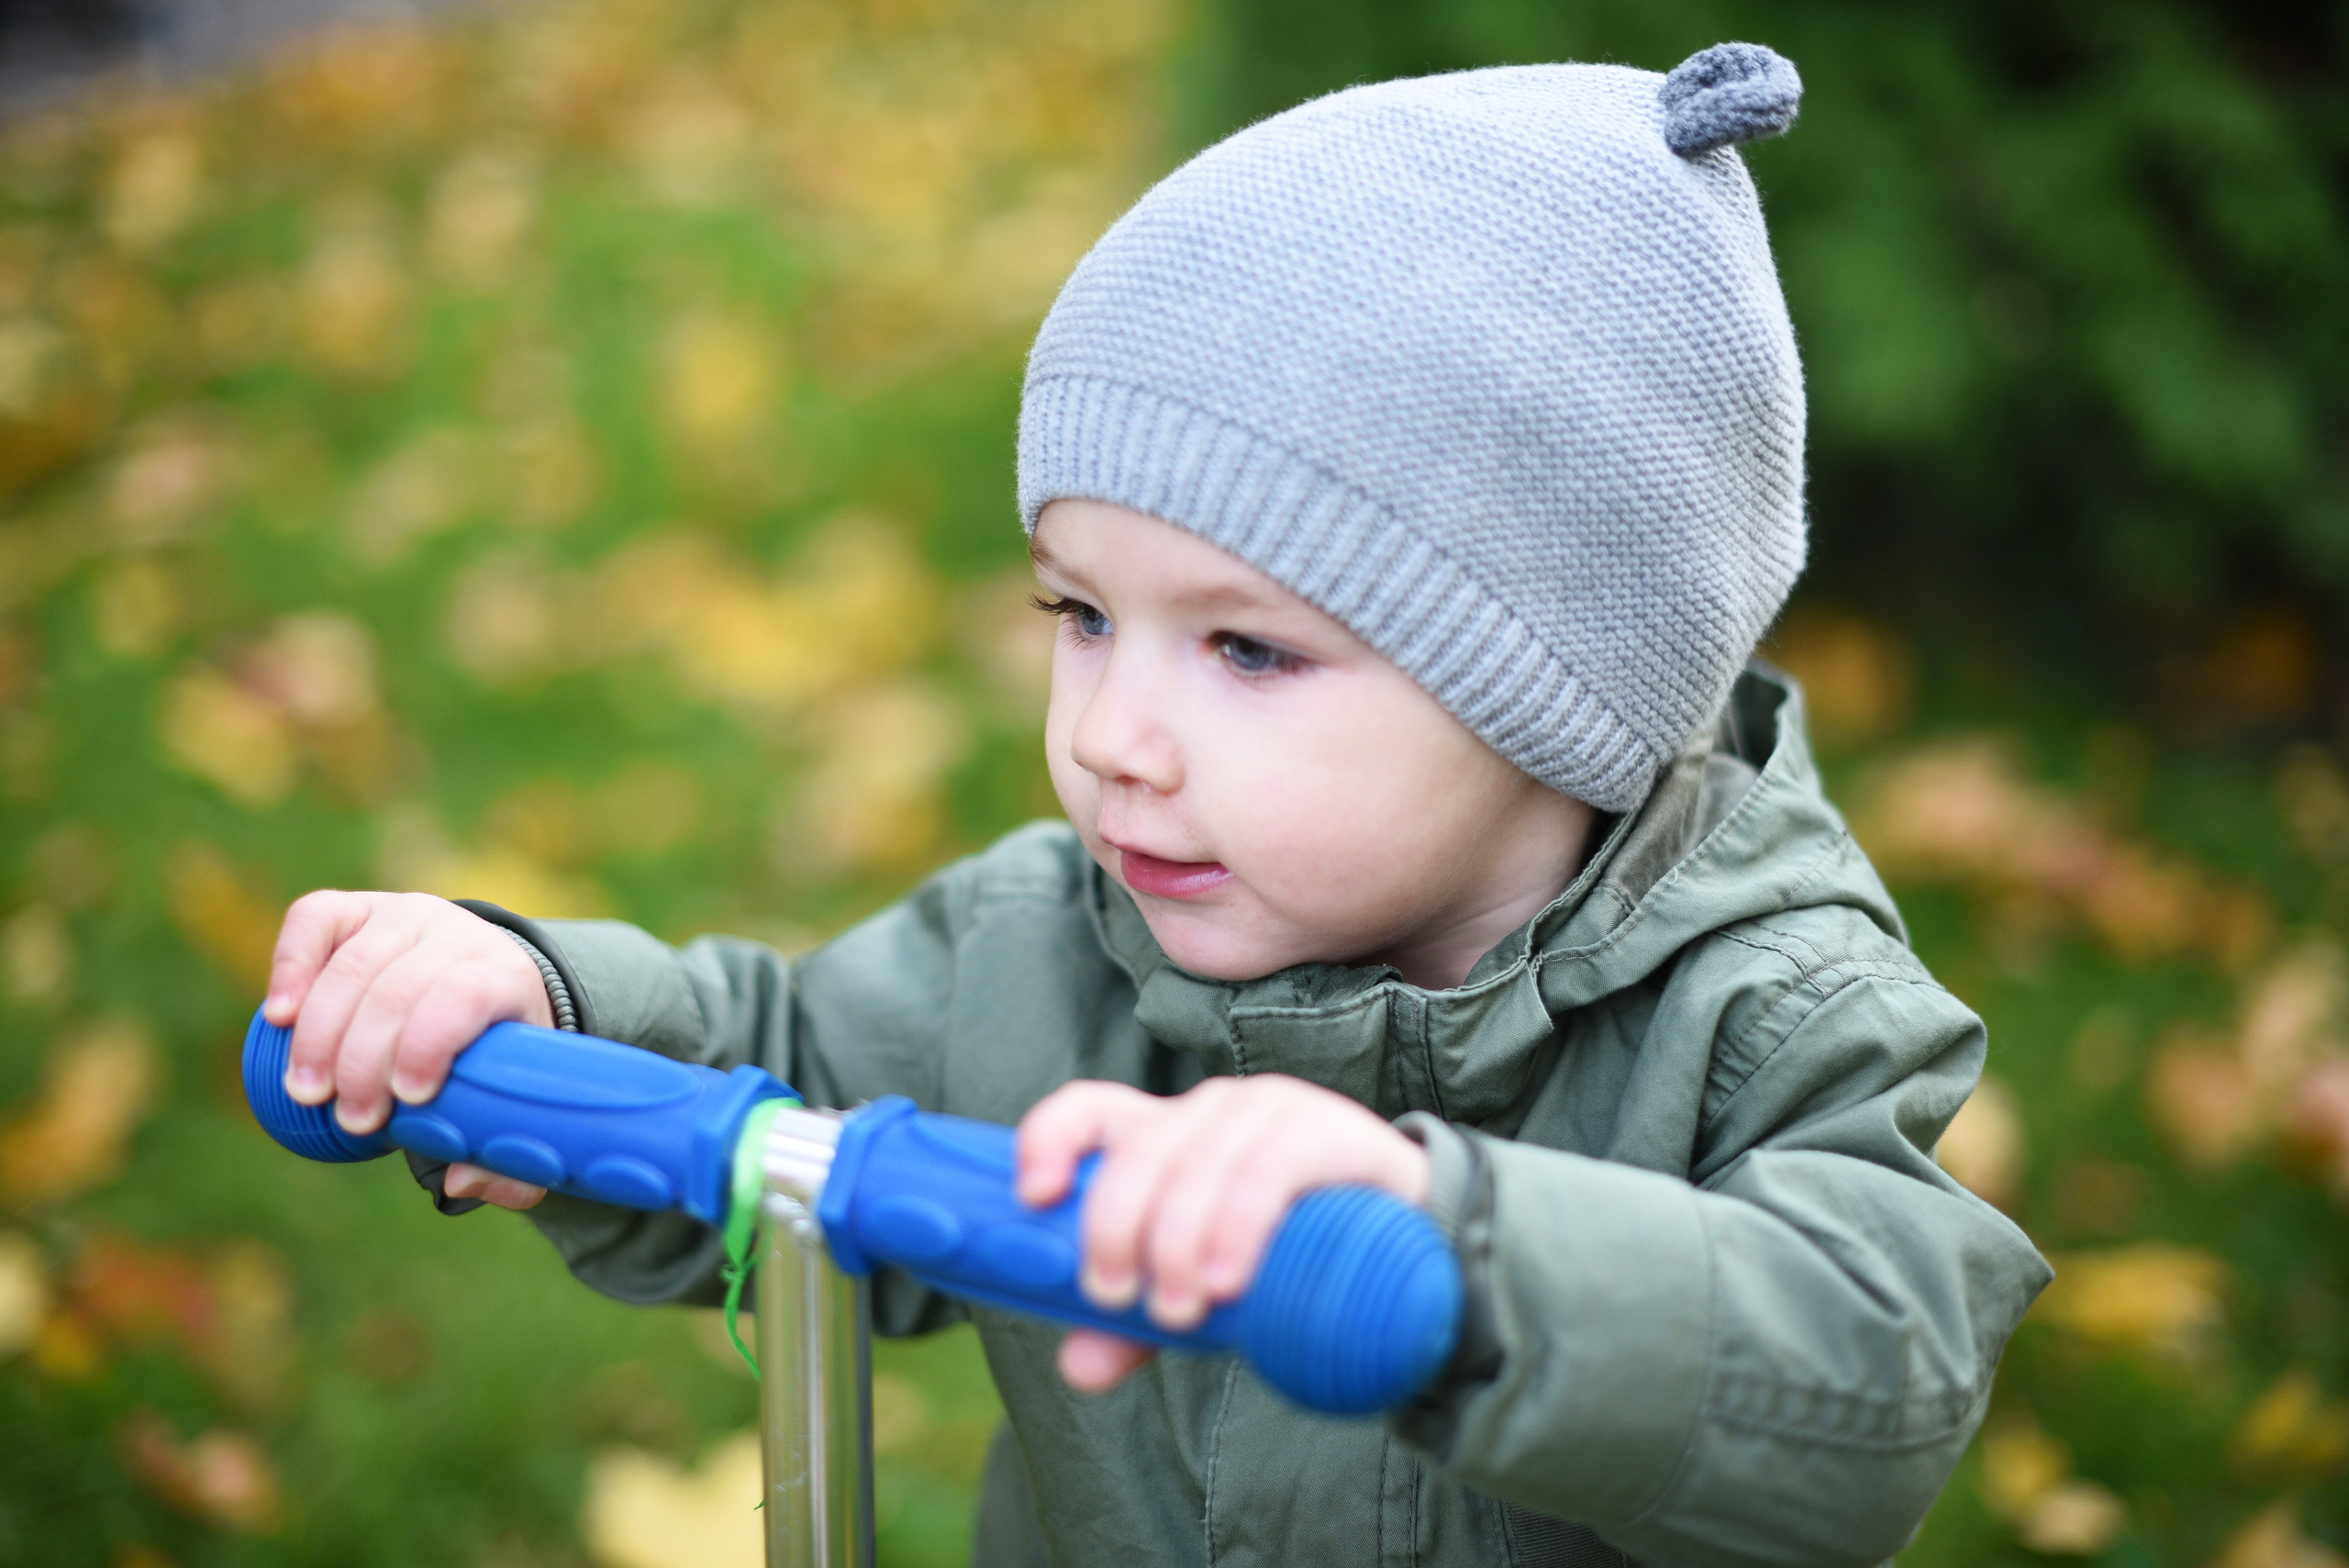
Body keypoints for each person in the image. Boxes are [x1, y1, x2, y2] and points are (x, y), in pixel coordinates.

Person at [260, 42, 2050, 1568]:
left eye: (1246, 652)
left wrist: (1448, 1254)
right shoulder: (1051, 949)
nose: (1113, 733)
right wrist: (543, 1007)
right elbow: (781, 1073)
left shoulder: (1766, 1021)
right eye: (1079, 615)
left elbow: (1864, 1385)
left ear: (1551, 698)